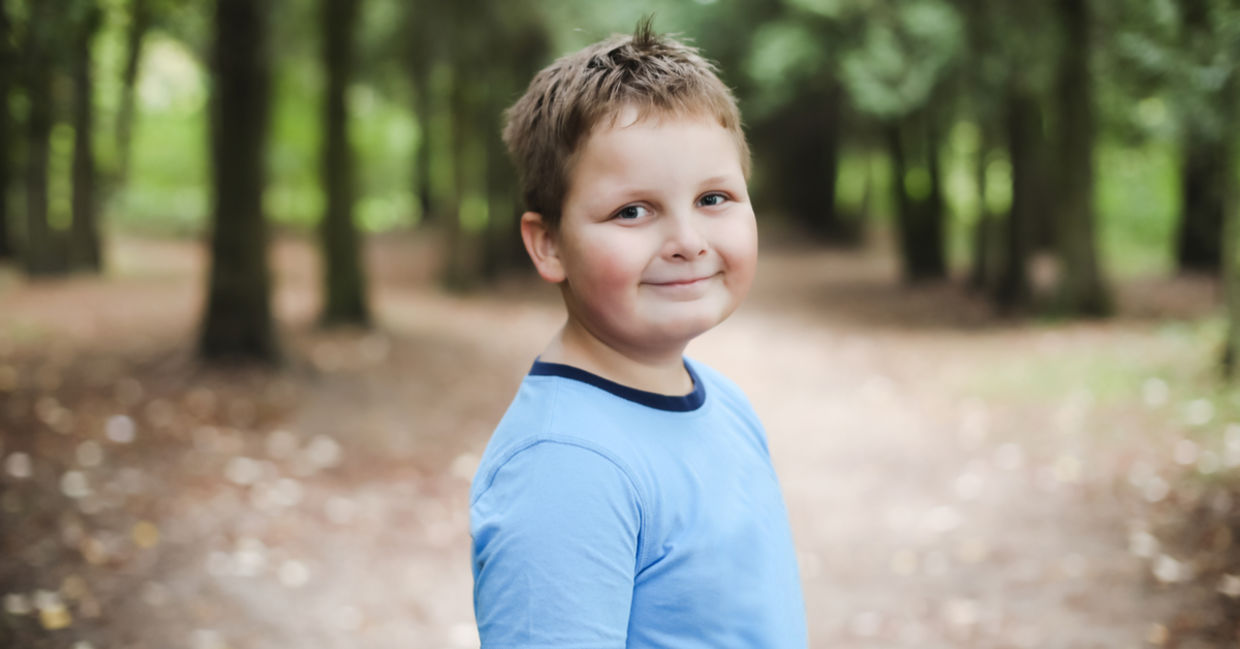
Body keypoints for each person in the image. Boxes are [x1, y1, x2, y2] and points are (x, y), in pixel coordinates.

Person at [469, 18, 808, 648]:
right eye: (633, 211)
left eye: (714, 199)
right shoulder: (567, 468)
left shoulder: (725, 403)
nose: (686, 241)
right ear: (549, 245)